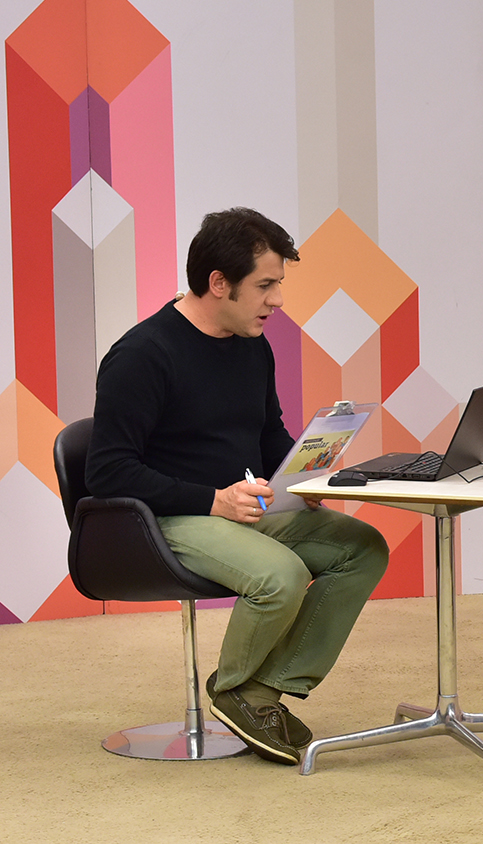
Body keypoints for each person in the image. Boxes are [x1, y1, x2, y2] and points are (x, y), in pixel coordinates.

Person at [86, 208, 390, 766]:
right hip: (165, 518)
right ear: (219, 283)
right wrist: (213, 501)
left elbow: (267, 432)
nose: (278, 300)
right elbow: (107, 472)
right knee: (281, 575)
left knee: (362, 547)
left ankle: (262, 691)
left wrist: (303, 475)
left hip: (243, 506)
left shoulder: (252, 344)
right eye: (265, 286)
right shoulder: (142, 356)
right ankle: (231, 688)